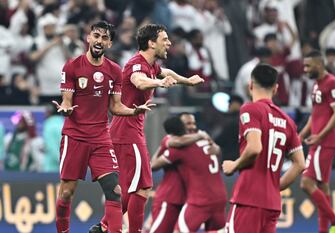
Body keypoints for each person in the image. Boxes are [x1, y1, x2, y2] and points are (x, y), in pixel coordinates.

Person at [90, 24, 204, 233]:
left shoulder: (151, 65)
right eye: (164, 39)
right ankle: (122, 228)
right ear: (151, 43)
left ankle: (104, 226)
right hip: (127, 132)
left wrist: (186, 81)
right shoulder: (136, 64)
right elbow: (138, 81)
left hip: (127, 132)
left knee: (130, 187)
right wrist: (159, 84)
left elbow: (165, 72)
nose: (169, 43)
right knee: (142, 186)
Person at [54, 21, 154, 233]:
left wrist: (134, 111)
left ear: (109, 43)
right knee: (66, 193)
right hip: (75, 136)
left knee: (115, 191)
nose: (99, 40)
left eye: (104, 38)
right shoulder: (72, 66)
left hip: (101, 138)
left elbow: (116, 107)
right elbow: (66, 100)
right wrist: (66, 109)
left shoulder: (115, 71)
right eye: (96, 36)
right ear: (88, 38)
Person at [222, 64, 305, 233]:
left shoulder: (250, 109)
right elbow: (300, 164)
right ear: (276, 89)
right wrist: (275, 186)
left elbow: (254, 148)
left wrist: (234, 165)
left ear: (250, 85)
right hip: (272, 204)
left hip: (249, 198)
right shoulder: (287, 121)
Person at [299, 50, 335, 233]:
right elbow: (316, 113)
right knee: (322, 186)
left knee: (306, 183)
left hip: (325, 142)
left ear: (319, 64)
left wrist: (320, 135)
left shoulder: (333, 83)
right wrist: (302, 134)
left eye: (308, 66)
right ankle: (323, 231)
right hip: (317, 141)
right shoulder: (316, 85)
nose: (305, 69)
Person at [152, 115, 226, 232]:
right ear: (180, 127)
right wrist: (201, 136)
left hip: (197, 199)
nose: (192, 127)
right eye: (188, 124)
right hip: (172, 198)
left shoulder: (189, 145)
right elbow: (153, 165)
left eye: (193, 123)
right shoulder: (188, 142)